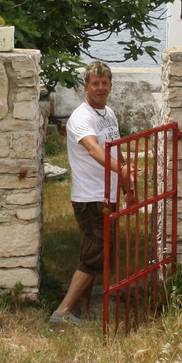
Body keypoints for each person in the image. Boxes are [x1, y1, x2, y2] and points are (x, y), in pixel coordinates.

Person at [51, 60, 134, 326]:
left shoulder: (108, 113)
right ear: (85, 86)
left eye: (104, 83)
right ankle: (62, 313)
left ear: (110, 85)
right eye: (95, 83)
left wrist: (126, 187)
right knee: (94, 255)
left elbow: (115, 149)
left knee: (95, 254)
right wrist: (122, 170)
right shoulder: (81, 117)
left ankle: (83, 312)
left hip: (106, 194)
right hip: (90, 197)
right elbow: (94, 149)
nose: (100, 88)